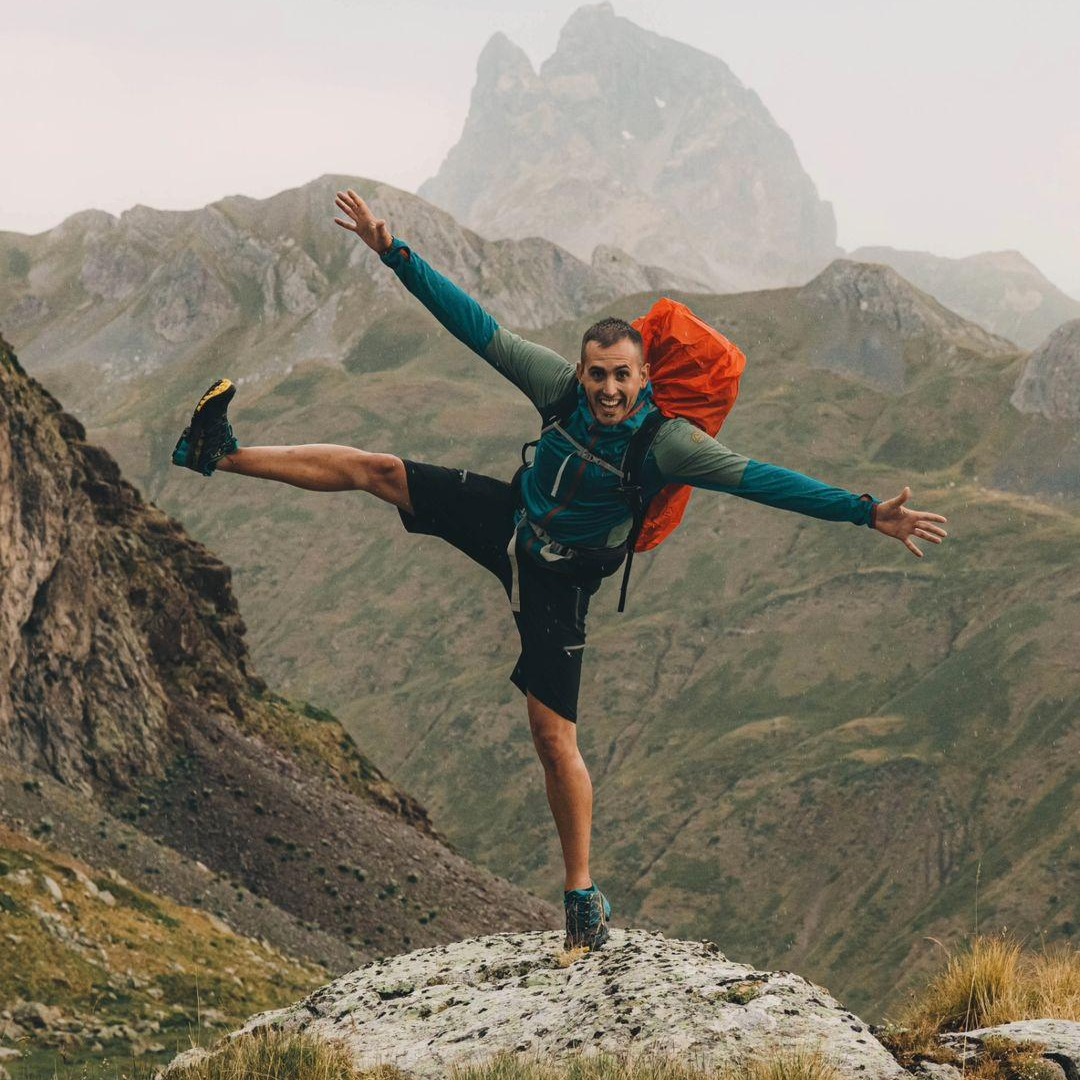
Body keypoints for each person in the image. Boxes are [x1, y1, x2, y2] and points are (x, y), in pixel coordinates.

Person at [171, 189, 949, 952]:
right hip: (514, 519)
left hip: (562, 580)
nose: (607, 388)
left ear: (644, 380)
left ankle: (580, 895)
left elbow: (762, 478)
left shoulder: (666, 445)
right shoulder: (557, 389)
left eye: (622, 377)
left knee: (552, 737)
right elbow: (476, 327)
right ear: (581, 372)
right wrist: (392, 252)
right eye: (597, 374)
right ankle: (218, 452)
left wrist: (866, 510)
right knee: (379, 470)